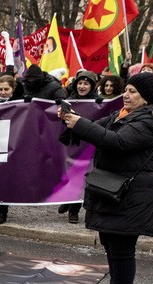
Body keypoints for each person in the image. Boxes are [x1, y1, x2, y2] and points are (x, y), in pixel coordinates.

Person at [59, 72, 153, 284]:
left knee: (121, 248)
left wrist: (81, 125)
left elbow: (117, 142)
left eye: (132, 92)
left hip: (132, 194)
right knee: (111, 242)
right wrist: (72, 120)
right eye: (126, 90)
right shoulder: (124, 114)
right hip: (115, 190)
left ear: (147, 97)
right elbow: (96, 129)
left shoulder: (150, 122)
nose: (126, 95)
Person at [58, 71, 100, 224]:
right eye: (80, 83)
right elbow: (63, 122)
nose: (82, 86)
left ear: (92, 86)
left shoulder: (98, 102)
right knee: (71, 174)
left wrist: (102, 105)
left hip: (89, 144)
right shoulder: (69, 101)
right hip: (73, 143)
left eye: (86, 83)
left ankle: (74, 210)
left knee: (83, 177)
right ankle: (69, 200)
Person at [0, 75, 23, 226]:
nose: (3, 92)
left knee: (7, 177)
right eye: (0, 89)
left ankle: (3, 210)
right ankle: (0, 208)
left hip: (13, 144)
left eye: (6, 89)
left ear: (13, 89)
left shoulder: (22, 104)